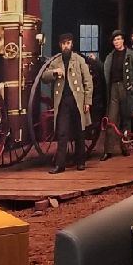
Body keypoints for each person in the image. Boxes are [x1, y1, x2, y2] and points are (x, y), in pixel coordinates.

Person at [39, 33, 94, 174]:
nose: (66, 46)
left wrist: (87, 101)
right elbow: (44, 77)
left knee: (80, 131)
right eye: (63, 44)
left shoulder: (79, 60)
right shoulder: (56, 61)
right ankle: (60, 164)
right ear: (60, 45)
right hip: (62, 102)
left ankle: (81, 162)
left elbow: (88, 81)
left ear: (72, 44)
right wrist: (54, 72)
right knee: (62, 132)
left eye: (68, 43)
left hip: (77, 100)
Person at [99, 31, 133, 160]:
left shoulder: (131, 54)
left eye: (119, 39)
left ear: (123, 40)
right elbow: (104, 70)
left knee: (126, 119)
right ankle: (108, 150)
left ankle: (125, 147)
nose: (117, 42)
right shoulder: (110, 56)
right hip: (113, 88)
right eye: (115, 40)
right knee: (111, 120)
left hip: (126, 88)